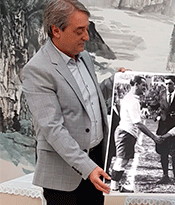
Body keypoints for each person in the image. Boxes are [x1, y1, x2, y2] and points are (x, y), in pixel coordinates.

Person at [21, 0, 121, 204]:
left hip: (95, 164)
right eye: (79, 31)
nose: (86, 37)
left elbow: (88, 100)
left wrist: (117, 81)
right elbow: (52, 128)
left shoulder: (83, 56)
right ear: (56, 30)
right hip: (64, 178)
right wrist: (88, 167)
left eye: (87, 29)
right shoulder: (38, 70)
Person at [110, 75, 161, 192]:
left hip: (127, 133)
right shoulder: (132, 101)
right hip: (125, 133)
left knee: (123, 160)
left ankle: (116, 186)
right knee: (121, 160)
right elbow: (138, 123)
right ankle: (114, 187)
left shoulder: (131, 98)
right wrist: (153, 137)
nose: (144, 87)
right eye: (143, 85)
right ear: (136, 84)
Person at [154, 76, 175, 189]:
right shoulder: (161, 94)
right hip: (162, 129)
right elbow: (155, 108)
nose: (168, 86)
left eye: (170, 84)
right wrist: (157, 115)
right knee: (163, 153)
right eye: (166, 84)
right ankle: (165, 175)